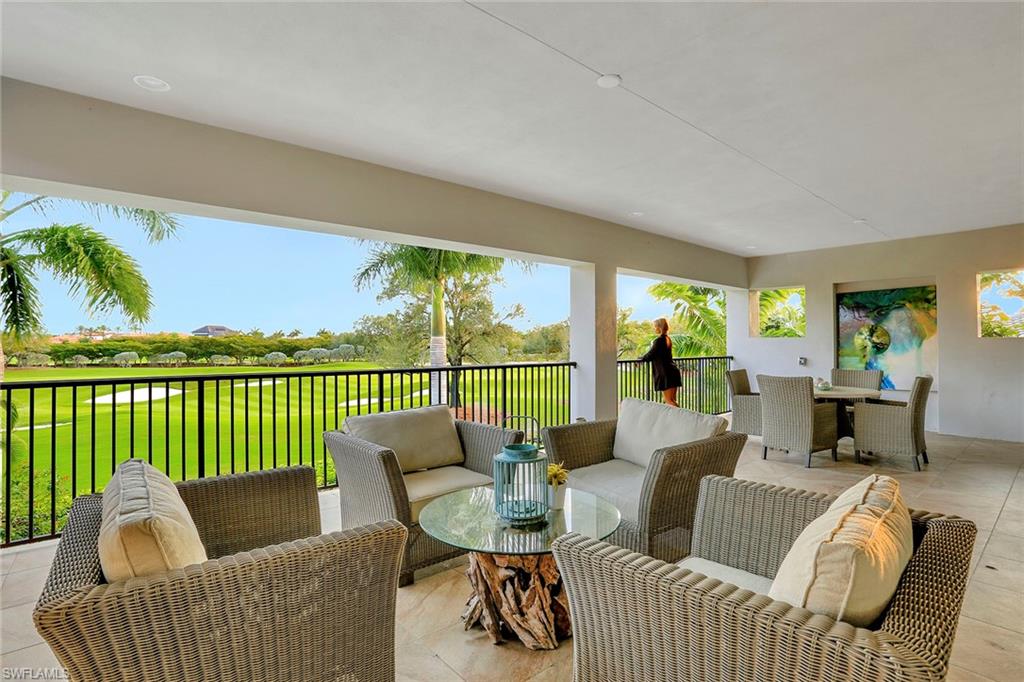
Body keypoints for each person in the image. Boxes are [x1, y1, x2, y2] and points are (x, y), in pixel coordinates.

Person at [639, 318, 683, 407]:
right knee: (672, 401)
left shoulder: (659, 340)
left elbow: (651, 354)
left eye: (655, 326)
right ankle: (678, 419)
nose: (654, 328)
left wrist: (640, 359)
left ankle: (684, 419)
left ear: (659, 327)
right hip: (672, 371)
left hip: (666, 373)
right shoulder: (667, 339)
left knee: (669, 401)